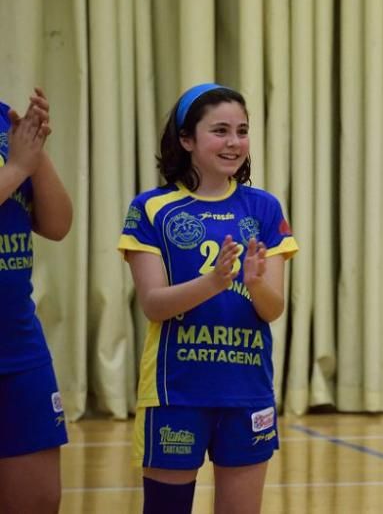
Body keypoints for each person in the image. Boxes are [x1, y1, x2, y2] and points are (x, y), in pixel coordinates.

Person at [119, 84, 297, 514]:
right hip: (176, 392)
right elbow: (153, 304)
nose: (234, 142)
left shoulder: (265, 209)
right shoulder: (152, 209)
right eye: (220, 131)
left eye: (242, 131)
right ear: (186, 139)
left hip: (247, 392)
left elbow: (272, 310)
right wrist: (214, 282)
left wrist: (254, 284)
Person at [0, 88, 72, 513]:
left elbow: (58, 224)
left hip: (20, 348)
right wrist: (17, 167)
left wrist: (36, 152)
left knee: (39, 501)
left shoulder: (5, 120)